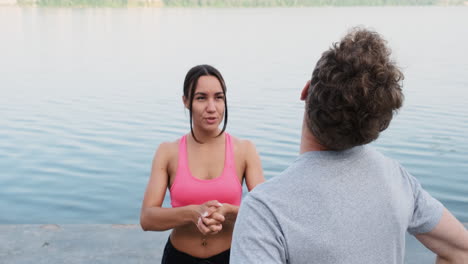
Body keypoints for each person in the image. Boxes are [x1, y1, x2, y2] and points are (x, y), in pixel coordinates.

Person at [230, 28, 468, 263]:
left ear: (306, 91)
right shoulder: (397, 180)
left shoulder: (265, 210)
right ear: (372, 123)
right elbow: (461, 251)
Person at [140, 64, 265, 264]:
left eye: (218, 97)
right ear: (186, 101)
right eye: (201, 98)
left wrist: (229, 212)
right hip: (178, 258)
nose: (211, 107)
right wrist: (191, 213)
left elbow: (263, 215)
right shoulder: (168, 152)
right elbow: (147, 218)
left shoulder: (245, 150)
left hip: (231, 257)